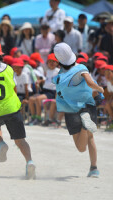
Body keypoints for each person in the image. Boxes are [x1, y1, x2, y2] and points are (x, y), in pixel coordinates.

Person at [0, 40, 36, 179]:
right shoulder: (9, 69)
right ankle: (29, 161)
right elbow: (13, 88)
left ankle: (1, 143)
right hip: (12, 107)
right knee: (20, 140)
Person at [53, 42, 104, 177]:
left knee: (81, 148)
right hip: (87, 105)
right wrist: (99, 89)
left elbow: (59, 94)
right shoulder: (81, 67)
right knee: (90, 137)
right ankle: (94, 168)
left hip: (71, 109)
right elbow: (90, 83)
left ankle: (83, 127)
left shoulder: (60, 75)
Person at [28, 53, 59, 125]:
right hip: (45, 91)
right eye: (50, 61)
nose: (51, 63)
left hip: (52, 92)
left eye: (53, 61)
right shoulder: (48, 71)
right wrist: (41, 81)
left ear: (57, 63)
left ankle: (38, 118)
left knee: (38, 98)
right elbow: (48, 80)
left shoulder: (58, 71)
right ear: (47, 63)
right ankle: (33, 117)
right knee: (31, 99)